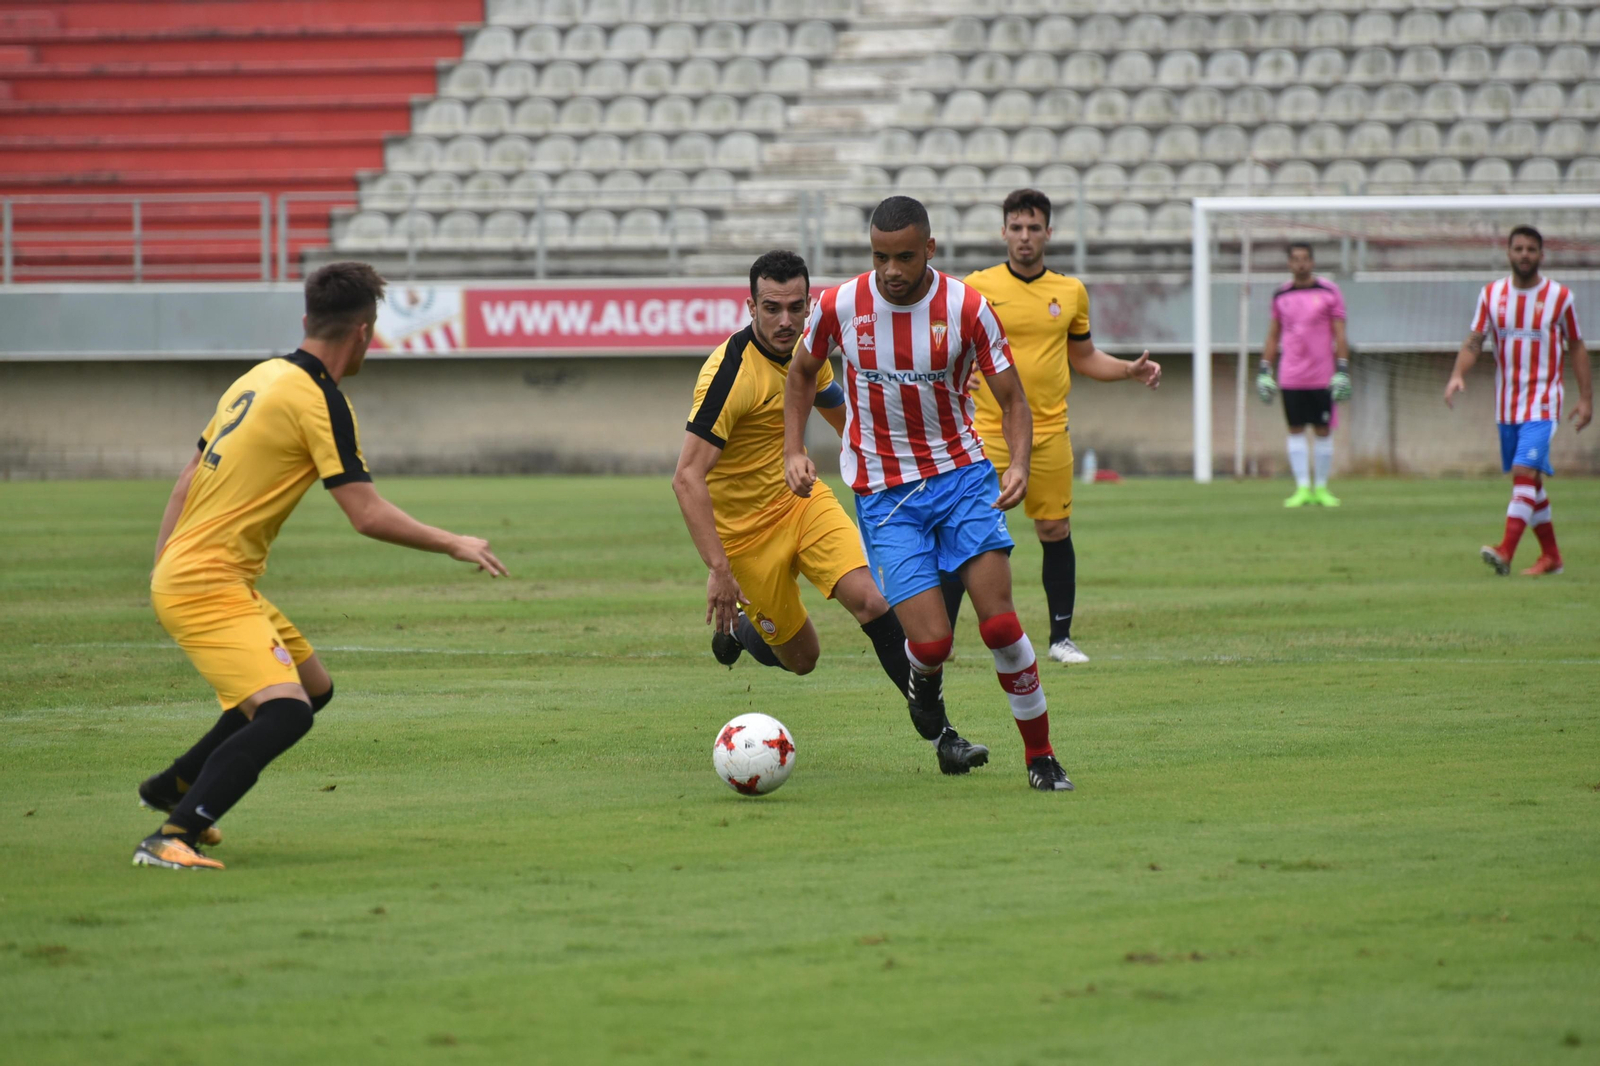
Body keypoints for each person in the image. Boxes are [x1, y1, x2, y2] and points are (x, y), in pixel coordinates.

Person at [135, 262, 507, 870]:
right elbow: (365, 513)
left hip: (198, 573)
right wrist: (453, 541)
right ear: (364, 332)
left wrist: (162, 571)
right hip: (207, 582)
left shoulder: (258, 378)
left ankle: (177, 784)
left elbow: (185, 481)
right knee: (286, 712)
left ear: (309, 320)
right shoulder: (321, 401)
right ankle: (174, 835)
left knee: (314, 687)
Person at [783, 196, 1073, 792]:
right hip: (886, 493)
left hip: (963, 478)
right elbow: (802, 372)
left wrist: (1018, 464)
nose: (891, 270)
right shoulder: (839, 304)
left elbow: (1014, 399)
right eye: (880, 257)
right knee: (933, 641)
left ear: (930, 251)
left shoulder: (968, 307)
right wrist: (794, 448)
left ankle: (1041, 757)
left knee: (999, 626)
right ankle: (926, 679)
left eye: (905, 257)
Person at [672, 250, 989, 775]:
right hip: (744, 539)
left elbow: (851, 420)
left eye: (796, 307)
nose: (785, 321)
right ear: (749, 305)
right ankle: (744, 633)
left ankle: (943, 737)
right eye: (771, 308)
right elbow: (686, 477)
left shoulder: (807, 352)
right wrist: (719, 570)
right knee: (804, 659)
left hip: (800, 502)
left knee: (870, 600)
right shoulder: (728, 375)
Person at [942, 188, 1161, 666]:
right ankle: (942, 640)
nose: (1024, 237)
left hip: (1048, 433)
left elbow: (1083, 356)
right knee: (967, 533)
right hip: (983, 434)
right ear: (1003, 232)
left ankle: (1061, 638)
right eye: (1016, 228)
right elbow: (948, 347)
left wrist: (1128, 369)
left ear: (1048, 233)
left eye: (1033, 228)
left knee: (1054, 529)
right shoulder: (975, 287)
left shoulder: (1069, 292)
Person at [1446, 225, 1591, 576]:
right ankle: (1552, 557)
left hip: (1544, 400)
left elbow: (1576, 345)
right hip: (1507, 404)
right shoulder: (1492, 295)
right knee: (1530, 483)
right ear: (1509, 253)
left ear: (1541, 255)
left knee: (1524, 472)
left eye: (1531, 249)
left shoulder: (1560, 297)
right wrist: (1457, 374)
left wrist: (1586, 398)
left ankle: (1506, 551)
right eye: (1518, 248)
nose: (1524, 254)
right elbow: (1475, 340)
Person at [1256, 242, 1351, 508]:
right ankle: (1301, 489)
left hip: (1322, 375)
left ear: (1312, 262)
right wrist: (1265, 369)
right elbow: (1273, 335)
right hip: (1291, 375)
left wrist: (1342, 368)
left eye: (1305, 259)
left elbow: (1340, 333)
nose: (1300, 264)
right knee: (1295, 428)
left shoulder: (1329, 292)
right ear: (1289, 263)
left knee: (1323, 430)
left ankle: (1321, 488)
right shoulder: (1280, 295)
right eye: (1295, 259)